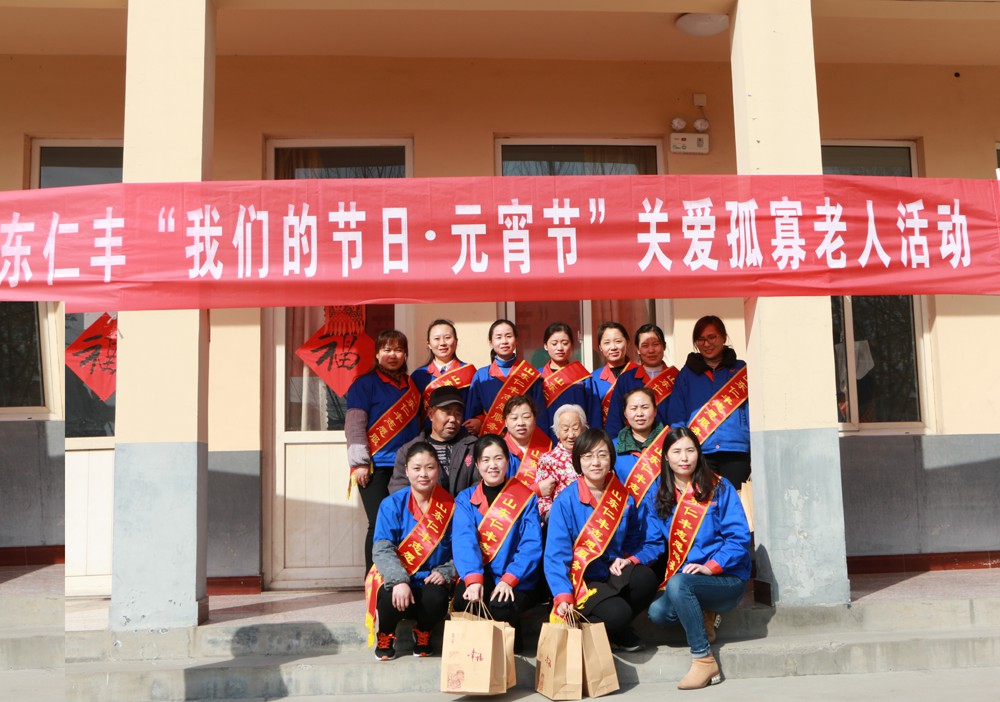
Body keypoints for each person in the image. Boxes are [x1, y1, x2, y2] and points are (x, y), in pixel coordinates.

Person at [646, 427, 751, 689]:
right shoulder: (659, 494)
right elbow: (652, 542)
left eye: (690, 450)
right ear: (666, 457)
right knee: (658, 613)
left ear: (698, 453)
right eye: (677, 451)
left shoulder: (719, 487)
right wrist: (631, 560)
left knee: (679, 584)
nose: (684, 458)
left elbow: (738, 539)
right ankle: (704, 613)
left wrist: (711, 567)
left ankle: (704, 659)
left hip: (726, 578)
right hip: (687, 580)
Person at [544, 428, 660, 651]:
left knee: (645, 578)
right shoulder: (565, 501)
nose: (595, 462)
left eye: (602, 455)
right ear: (578, 461)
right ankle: (614, 629)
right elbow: (555, 556)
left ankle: (614, 630)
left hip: (611, 572)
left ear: (611, 459)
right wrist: (562, 594)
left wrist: (628, 559)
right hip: (581, 580)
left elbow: (634, 538)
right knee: (618, 614)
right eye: (588, 456)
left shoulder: (622, 496)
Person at [366, 442, 458, 661]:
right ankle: (386, 633)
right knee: (388, 594)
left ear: (438, 470)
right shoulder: (391, 504)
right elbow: (382, 549)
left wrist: (446, 571)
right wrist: (399, 580)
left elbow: (461, 549)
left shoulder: (451, 506)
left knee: (437, 598)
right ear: (406, 471)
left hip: (429, 578)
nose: (423, 474)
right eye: (416, 468)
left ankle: (424, 631)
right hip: (398, 575)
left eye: (429, 467)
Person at [452, 435, 543, 650]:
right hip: (482, 573)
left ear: (508, 461)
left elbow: (531, 545)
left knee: (502, 605)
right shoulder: (465, 499)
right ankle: (481, 651)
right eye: (485, 460)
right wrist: (473, 579)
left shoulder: (526, 497)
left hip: (517, 578)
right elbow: (464, 540)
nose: (492, 465)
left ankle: (510, 643)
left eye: (498, 458)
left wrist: (509, 579)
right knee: (464, 598)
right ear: (477, 465)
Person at [346, 330, 421, 572]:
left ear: (405, 354)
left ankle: (402, 575)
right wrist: (359, 462)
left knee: (406, 522)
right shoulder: (364, 384)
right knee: (378, 522)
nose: (393, 355)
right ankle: (374, 580)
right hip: (375, 466)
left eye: (398, 350)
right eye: (387, 350)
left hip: (406, 467)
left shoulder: (411, 386)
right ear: (377, 354)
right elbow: (355, 425)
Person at [667, 315, 751, 489]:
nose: (706, 344)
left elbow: (752, 411)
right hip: (701, 451)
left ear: (723, 337)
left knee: (736, 499)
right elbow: (677, 414)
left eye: (712, 337)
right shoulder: (686, 375)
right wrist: (683, 448)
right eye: (701, 339)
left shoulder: (741, 370)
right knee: (704, 501)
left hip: (736, 450)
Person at [388, 386, 479, 496]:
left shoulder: (473, 447)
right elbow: (399, 489)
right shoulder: (408, 451)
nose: (453, 419)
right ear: (431, 414)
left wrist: (461, 504)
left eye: (457, 414)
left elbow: (480, 484)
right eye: (447, 412)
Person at [466, 319, 547, 437]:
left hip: (523, 439)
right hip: (491, 439)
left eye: (508, 336)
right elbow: (473, 412)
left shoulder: (529, 375)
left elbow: (540, 414)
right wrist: (479, 420)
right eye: (498, 337)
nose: (504, 341)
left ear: (516, 340)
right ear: (491, 343)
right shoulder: (481, 376)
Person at [605, 323, 677, 439]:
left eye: (656, 344)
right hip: (633, 445)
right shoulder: (626, 380)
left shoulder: (677, 377)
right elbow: (615, 419)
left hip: (669, 443)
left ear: (664, 346)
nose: (651, 350)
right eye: (645, 345)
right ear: (638, 349)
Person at [538, 322, 603, 440]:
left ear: (572, 345)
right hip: (547, 439)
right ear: (546, 346)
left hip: (578, 438)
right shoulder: (539, 377)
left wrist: (592, 440)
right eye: (554, 343)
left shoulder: (583, 377)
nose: (560, 348)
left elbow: (594, 412)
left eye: (565, 343)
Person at [410, 319, 477, 433]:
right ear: (429, 344)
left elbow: (478, 405)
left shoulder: (469, 371)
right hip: (429, 437)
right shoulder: (419, 376)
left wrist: (479, 420)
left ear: (456, 341)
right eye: (437, 339)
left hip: (462, 435)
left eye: (447, 337)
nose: (442, 343)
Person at [613, 386, 666, 509]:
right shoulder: (613, 448)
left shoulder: (670, 442)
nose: (639, 413)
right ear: (625, 413)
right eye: (633, 408)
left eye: (645, 407)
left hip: (666, 514)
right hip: (629, 516)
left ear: (655, 411)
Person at [535, 403, 587, 520]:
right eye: (565, 429)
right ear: (557, 432)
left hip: (591, 516)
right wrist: (553, 517)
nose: (571, 435)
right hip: (561, 518)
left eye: (575, 428)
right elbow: (543, 498)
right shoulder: (548, 459)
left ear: (583, 429)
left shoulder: (592, 455)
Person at [591, 322, 638, 428]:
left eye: (618, 341)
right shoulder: (593, 379)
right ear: (600, 347)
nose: (613, 347)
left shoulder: (640, 373)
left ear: (628, 343)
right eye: (607, 343)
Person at [501, 395, 552, 486]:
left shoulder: (548, 448)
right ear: (505, 422)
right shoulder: (499, 451)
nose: (521, 423)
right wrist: (537, 490)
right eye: (514, 418)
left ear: (535, 419)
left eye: (526, 417)